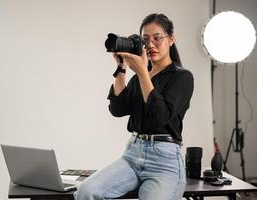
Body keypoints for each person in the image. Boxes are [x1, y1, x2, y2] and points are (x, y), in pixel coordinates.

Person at [74, 13, 194, 200]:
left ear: (171, 40)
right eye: (145, 40)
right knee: (85, 192)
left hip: (165, 162)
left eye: (157, 38)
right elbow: (118, 109)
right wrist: (122, 68)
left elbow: (160, 116)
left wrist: (142, 73)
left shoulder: (182, 77)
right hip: (133, 155)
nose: (151, 45)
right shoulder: (140, 76)